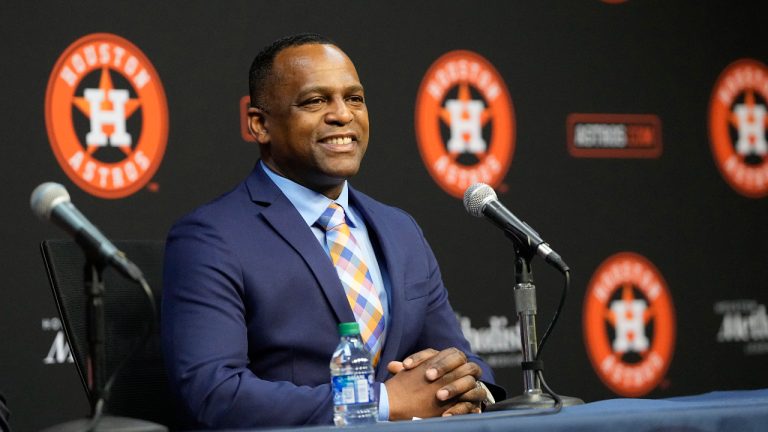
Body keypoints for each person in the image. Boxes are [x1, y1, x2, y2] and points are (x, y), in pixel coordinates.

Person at [161, 33, 504, 429]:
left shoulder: (400, 229)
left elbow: (458, 358)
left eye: (354, 98)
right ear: (259, 125)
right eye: (315, 101)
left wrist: (472, 391)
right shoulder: (210, 237)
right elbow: (214, 393)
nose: (343, 115)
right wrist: (383, 403)